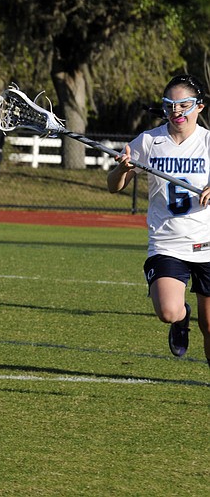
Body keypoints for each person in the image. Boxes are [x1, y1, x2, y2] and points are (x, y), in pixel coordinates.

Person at [107, 73, 210, 369]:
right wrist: (122, 170)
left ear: (199, 107)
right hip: (168, 243)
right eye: (170, 105)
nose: (176, 112)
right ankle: (181, 318)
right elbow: (114, 185)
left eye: (184, 105)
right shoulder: (150, 141)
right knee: (168, 311)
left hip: (208, 244)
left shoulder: (208, 143)